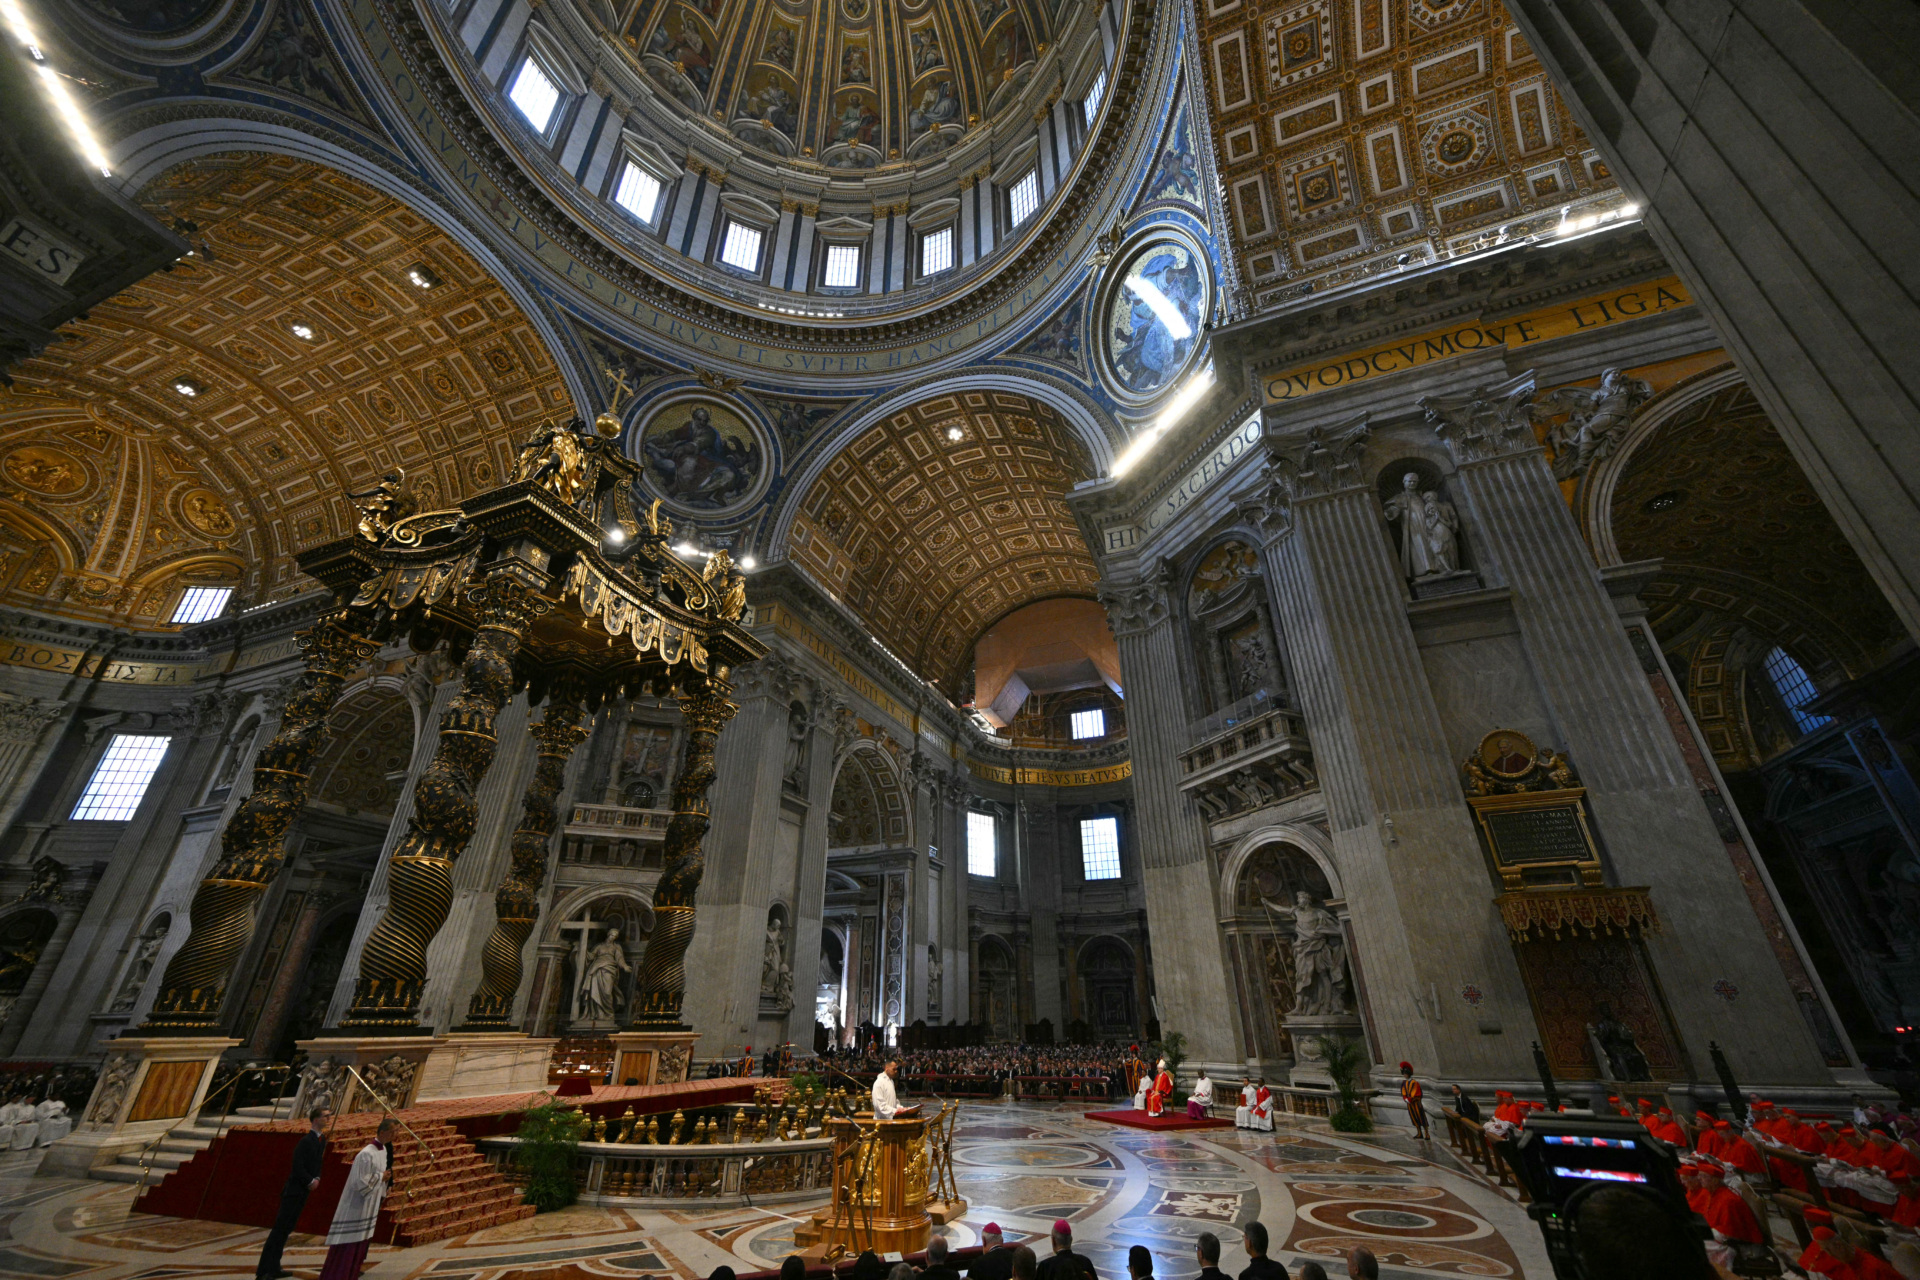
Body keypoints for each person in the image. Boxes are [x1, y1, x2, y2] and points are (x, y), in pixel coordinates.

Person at [257, 1105, 329, 1280]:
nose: (328, 1119)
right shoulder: (305, 1141)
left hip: (304, 1190)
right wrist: (310, 1181)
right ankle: (263, 1271)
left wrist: (317, 1177)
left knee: (286, 1230)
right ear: (316, 1119)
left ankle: (275, 1267)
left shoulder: (322, 1140)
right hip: (294, 1190)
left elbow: (318, 1163)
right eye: (325, 1116)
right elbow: (297, 1165)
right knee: (279, 1230)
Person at [319, 1116, 394, 1280]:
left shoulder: (383, 1150)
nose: (395, 1136)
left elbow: (380, 1174)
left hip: (368, 1205)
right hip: (355, 1205)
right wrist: (381, 1177)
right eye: (392, 1132)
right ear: (382, 1132)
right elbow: (359, 1181)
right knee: (348, 1243)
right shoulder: (366, 1154)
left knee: (360, 1243)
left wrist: (384, 1183)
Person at [1398, 1062, 1429, 1141]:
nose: (1405, 1075)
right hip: (1410, 1104)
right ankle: (1419, 1133)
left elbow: (1415, 1092)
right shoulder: (1404, 1083)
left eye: (1406, 1074)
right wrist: (1405, 1098)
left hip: (1416, 1103)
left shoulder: (1414, 1082)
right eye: (1404, 1074)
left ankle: (1427, 1133)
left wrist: (1410, 1099)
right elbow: (1403, 1091)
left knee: (1421, 1117)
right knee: (1414, 1118)